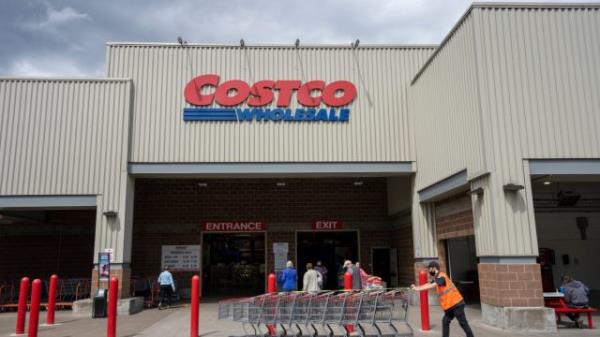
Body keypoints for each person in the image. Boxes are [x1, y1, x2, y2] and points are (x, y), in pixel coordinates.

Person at [411, 261, 474, 337]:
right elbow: (429, 284)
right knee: (445, 321)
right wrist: (416, 287)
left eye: (430, 269)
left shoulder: (441, 277)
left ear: (434, 268)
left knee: (463, 323)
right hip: (450, 306)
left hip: (456, 304)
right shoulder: (437, 277)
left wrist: (417, 289)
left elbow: (432, 285)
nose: (429, 271)